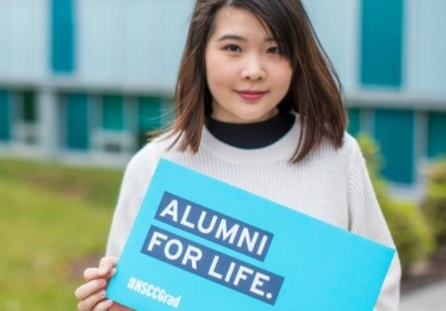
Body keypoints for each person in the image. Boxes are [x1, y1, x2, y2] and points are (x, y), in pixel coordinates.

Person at [74, 0, 401, 310]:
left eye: (275, 49)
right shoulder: (154, 167)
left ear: (297, 58)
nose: (254, 70)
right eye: (233, 48)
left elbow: (379, 287)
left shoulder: (337, 155)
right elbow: (137, 293)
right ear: (200, 53)